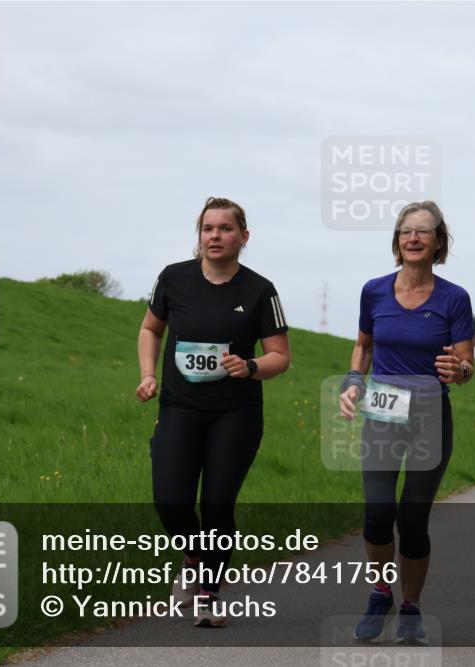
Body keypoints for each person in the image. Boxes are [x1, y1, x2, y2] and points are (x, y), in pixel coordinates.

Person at [136, 197, 291, 628]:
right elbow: (150, 329)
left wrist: (251, 366)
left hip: (235, 413)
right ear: (199, 235)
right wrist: (148, 375)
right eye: (208, 228)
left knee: (218, 504)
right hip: (180, 407)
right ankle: (194, 555)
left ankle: (208, 592)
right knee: (170, 500)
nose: (215, 236)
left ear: (244, 236)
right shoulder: (174, 278)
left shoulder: (260, 290)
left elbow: (280, 356)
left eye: (225, 228)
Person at [339, 201, 474, 646]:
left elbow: (467, 362)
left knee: (413, 518)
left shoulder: (454, 298)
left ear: (439, 242)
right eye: (405, 231)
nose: (413, 238)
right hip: (383, 411)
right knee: (378, 513)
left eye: (423, 231)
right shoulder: (374, 291)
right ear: (397, 241)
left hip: (430, 416)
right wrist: (354, 380)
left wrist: (459, 370)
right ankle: (381, 594)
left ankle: (411, 606)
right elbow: (363, 346)